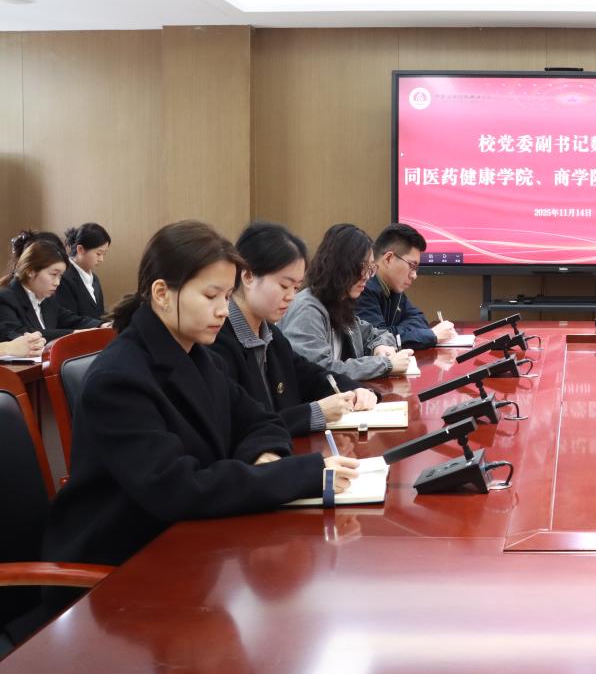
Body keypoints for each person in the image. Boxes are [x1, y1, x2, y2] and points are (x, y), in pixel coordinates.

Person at [41, 220, 358, 574]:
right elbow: (177, 488)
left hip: (187, 547)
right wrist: (292, 475)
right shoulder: (118, 379)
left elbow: (260, 420)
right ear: (162, 294)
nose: (223, 310)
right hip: (122, 566)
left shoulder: (198, 356)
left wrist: (265, 458)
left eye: (226, 296)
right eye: (211, 296)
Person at [211, 221, 378, 437]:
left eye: (296, 287)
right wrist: (313, 413)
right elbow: (242, 427)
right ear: (248, 276)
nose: (291, 296)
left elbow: (313, 376)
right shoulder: (217, 340)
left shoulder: (272, 336)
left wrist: (355, 390)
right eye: (284, 285)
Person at [279, 223, 413, 380]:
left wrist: (380, 347)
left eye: (370, 268)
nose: (367, 276)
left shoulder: (340, 305)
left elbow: (378, 334)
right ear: (339, 265)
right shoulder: (307, 309)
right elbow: (320, 370)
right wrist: (386, 365)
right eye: (362, 266)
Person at [355, 223, 457, 349]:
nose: (414, 275)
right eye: (412, 266)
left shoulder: (394, 288)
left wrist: (393, 331)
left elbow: (419, 319)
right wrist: (431, 335)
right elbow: (378, 340)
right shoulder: (363, 288)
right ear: (389, 259)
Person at [0, 231, 102, 341]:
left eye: (60, 276)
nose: (57, 282)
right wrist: (72, 334)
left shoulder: (47, 299)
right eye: (53, 274)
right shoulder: (5, 298)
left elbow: (71, 319)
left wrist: (101, 325)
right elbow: (19, 333)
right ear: (30, 271)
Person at [56, 223, 110, 321]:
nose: (101, 259)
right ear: (80, 249)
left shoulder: (94, 279)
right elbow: (67, 318)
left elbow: (99, 313)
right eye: (98, 253)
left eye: (104, 254)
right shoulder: (63, 277)